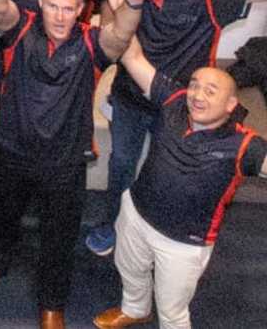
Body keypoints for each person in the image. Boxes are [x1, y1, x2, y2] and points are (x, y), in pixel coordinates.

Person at [0, 0, 152, 329]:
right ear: (40, 4)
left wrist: (133, 1)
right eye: (54, 7)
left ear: (81, 9)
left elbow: (120, 35)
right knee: (3, 216)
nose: (61, 16)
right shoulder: (19, 30)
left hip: (64, 163)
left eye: (69, 9)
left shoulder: (89, 44)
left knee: (59, 237)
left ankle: (52, 302)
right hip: (11, 150)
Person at [85, 0, 264, 259]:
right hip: (130, 100)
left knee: (170, 173)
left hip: (182, 109)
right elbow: (120, 16)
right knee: (122, 165)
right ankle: (109, 224)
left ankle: (162, 236)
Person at [93, 33, 266, 329]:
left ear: (230, 104)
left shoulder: (244, 145)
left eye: (210, 91)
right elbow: (133, 57)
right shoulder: (174, 102)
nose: (197, 96)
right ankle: (135, 308)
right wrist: (129, 4)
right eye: (195, 86)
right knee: (129, 269)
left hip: (184, 243)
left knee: (172, 310)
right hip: (136, 213)